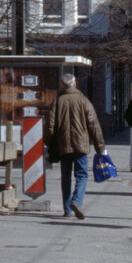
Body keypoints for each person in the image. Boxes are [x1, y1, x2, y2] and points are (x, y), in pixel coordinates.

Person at [44, 73, 105, 220]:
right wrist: (100, 148)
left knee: (65, 177)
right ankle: (77, 201)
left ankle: (67, 210)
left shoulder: (57, 102)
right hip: (81, 146)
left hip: (64, 146)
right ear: (75, 84)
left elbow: (49, 127)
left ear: (62, 85)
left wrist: (50, 144)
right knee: (82, 175)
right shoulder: (84, 101)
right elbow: (94, 125)